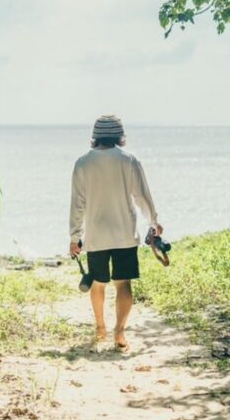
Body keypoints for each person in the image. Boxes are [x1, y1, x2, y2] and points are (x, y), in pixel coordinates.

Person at [69, 114, 163, 352]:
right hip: (124, 233)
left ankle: (100, 326)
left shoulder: (82, 163)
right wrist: (154, 221)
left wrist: (74, 237)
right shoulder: (129, 161)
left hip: (96, 234)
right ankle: (119, 330)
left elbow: (77, 204)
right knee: (123, 284)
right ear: (120, 136)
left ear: (95, 136)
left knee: (98, 284)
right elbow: (142, 196)